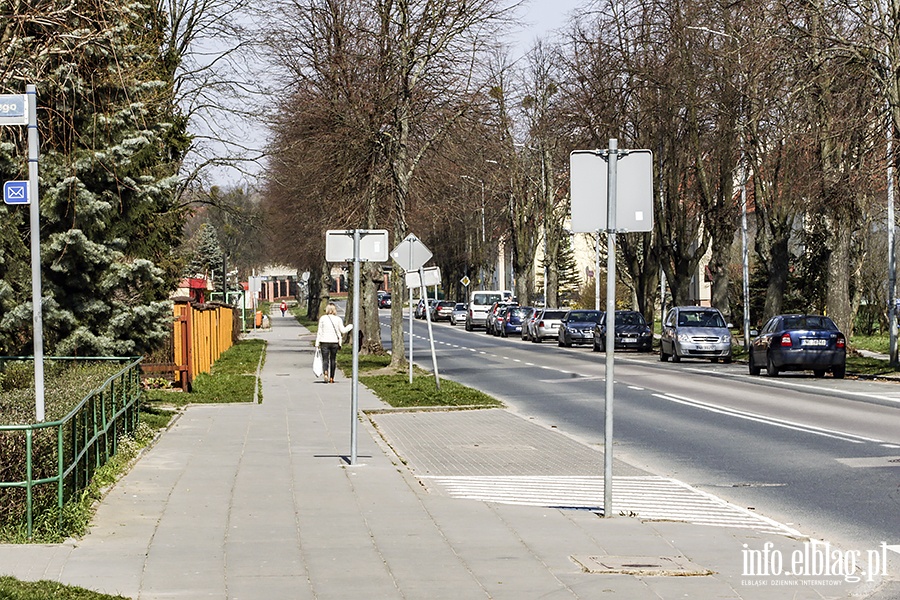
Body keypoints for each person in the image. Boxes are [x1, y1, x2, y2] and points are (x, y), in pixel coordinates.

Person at [315, 303, 354, 383]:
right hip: (334, 342)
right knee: (333, 359)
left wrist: (317, 343)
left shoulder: (323, 318)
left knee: (325, 359)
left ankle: (326, 372)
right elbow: (343, 330)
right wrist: (351, 326)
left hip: (324, 341)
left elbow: (319, 331)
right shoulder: (338, 319)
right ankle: (332, 377)